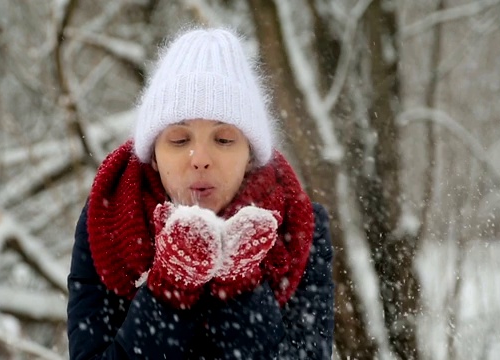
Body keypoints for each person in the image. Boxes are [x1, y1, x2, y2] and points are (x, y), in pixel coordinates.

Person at [67, 27, 334, 360]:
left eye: (223, 140)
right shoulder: (106, 220)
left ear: (250, 154)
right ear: (153, 152)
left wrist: (239, 289)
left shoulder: (297, 226)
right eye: (179, 141)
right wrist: (170, 291)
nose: (201, 160)